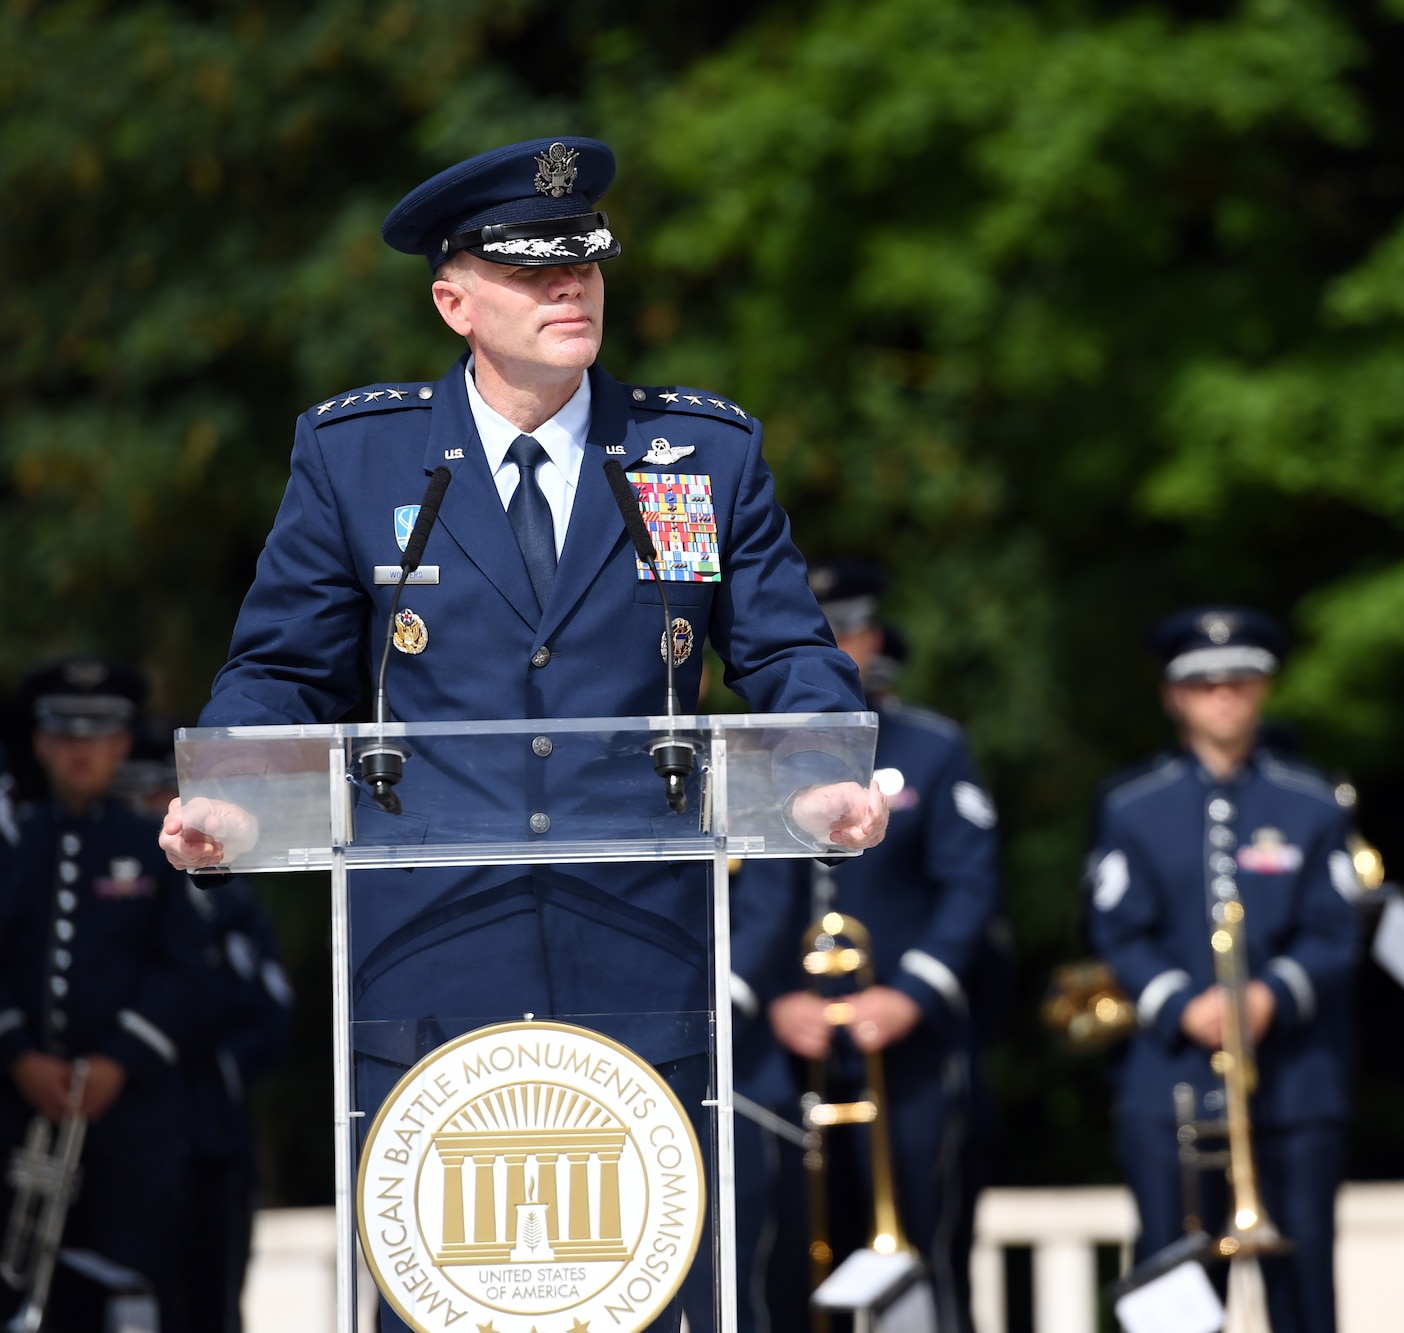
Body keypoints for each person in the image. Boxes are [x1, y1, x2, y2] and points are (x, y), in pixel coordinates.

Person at [153, 138, 889, 1330]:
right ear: (454, 302)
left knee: (648, 1292)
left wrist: (814, 769)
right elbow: (280, 666)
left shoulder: (697, 453)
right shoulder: (361, 457)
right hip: (433, 944)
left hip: (639, 945)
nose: (571, 288)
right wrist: (230, 792)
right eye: (530, 271)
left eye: (584, 264)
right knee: (443, 1294)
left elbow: (785, 652)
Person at [729, 561, 1002, 1332]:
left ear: (872, 636)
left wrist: (909, 993)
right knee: (780, 1259)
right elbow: (742, 902)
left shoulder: (934, 747)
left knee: (926, 1250)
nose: (830, 647)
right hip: (778, 1048)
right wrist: (775, 997)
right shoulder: (747, 756)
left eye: (843, 630)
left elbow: (970, 888)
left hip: (901, 1046)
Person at [1088, 608, 1359, 1333]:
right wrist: (1183, 1005)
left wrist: (1272, 994)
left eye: (1240, 680)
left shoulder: (1311, 804)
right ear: (1176, 696)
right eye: (1205, 684)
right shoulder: (1132, 807)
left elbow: (1336, 929)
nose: (1225, 696)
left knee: (1304, 1295)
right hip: (1171, 1082)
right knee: (1173, 1296)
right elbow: (1118, 928)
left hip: (1294, 1085)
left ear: (1263, 688)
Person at [0, 659, 207, 1330]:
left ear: (122, 743)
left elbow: (182, 965)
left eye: (98, 734)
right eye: (64, 733)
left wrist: (120, 1059)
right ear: (39, 742)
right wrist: (18, 1055)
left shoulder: (153, 848)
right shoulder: (16, 846)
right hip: (24, 1106)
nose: (80, 750)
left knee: (136, 1276)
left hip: (130, 1111)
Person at [178, 878, 291, 1333]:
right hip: (127, 1127)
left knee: (215, 1300)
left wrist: (223, 1070)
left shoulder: (230, 900)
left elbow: (273, 1011)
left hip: (216, 1134)